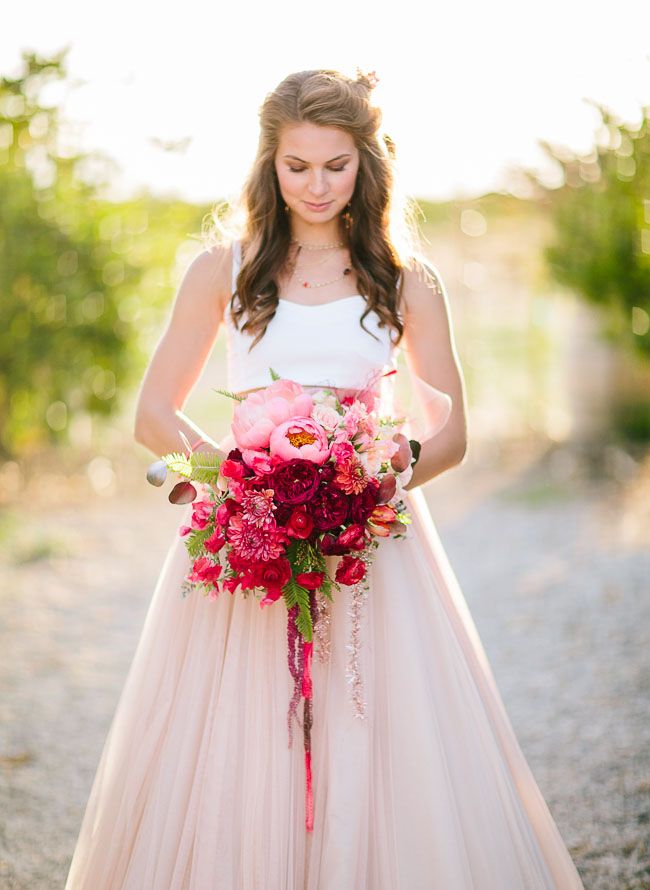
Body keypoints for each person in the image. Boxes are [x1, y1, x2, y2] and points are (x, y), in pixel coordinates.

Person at [64, 68, 585, 889]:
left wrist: (376, 480)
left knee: (373, 731)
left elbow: (451, 434)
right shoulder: (223, 271)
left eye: (335, 165)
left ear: (367, 165)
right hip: (249, 541)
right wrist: (237, 486)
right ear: (268, 163)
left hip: (373, 544)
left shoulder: (407, 281)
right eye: (296, 165)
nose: (315, 184)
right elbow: (152, 413)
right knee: (245, 738)